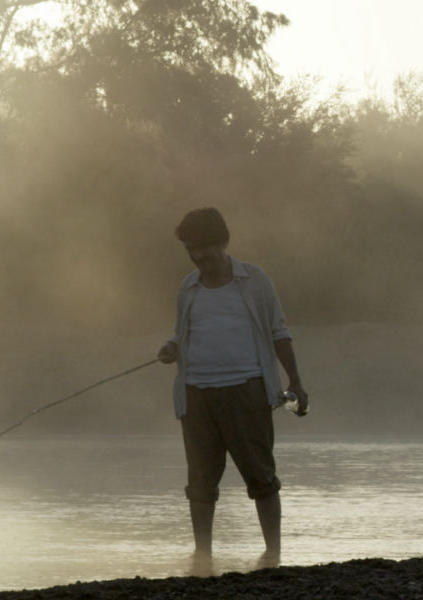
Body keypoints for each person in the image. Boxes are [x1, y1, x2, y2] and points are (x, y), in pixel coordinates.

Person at [157, 207, 309, 571]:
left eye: (203, 248)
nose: (197, 257)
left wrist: (296, 382)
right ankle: (202, 555)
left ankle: (272, 554)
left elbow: (279, 333)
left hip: (247, 391)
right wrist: (171, 348)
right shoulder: (188, 286)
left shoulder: (255, 280)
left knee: (260, 473)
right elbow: (182, 334)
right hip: (195, 395)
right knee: (200, 479)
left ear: (222, 242)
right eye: (190, 250)